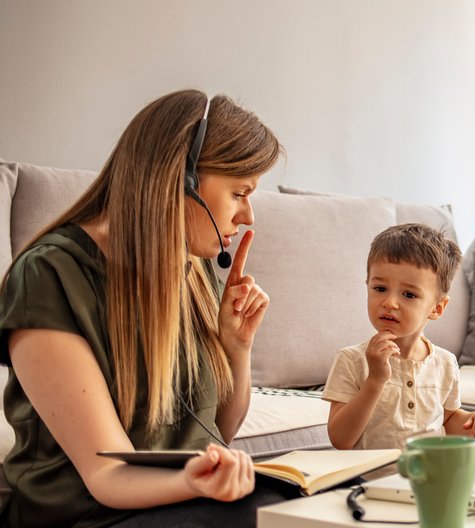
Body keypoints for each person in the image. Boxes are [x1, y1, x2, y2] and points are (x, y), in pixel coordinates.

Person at [0, 90, 285, 527]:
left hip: (180, 506)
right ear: (182, 179)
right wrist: (194, 482)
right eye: (239, 193)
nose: (247, 216)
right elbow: (107, 475)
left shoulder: (192, 268)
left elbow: (216, 435)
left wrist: (236, 346)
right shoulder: (49, 275)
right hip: (86, 517)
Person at [323, 223, 475, 450]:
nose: (389, 302)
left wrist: (474, 422)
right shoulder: (351, 360)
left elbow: (447, 419)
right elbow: (340, 440)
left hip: (428, 481)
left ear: (437, 308)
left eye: (408, 294)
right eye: (379, 289)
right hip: (372, 482)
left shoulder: (445, 363)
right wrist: (375, 380)